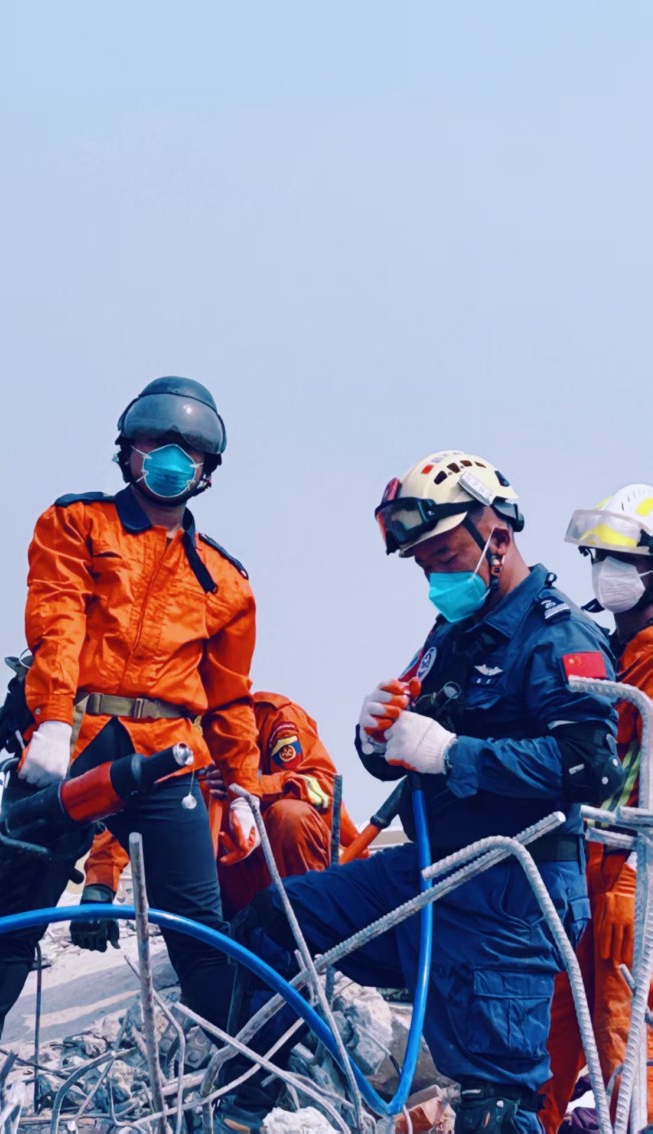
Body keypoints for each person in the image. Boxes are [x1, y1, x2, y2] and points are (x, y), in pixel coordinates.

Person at [213, 450, 622, 1134]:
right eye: (422, 563)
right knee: (277, 921)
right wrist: (376, 736)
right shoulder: (453, 632)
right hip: (431, 871)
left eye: (445, 555)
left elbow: (590, 768)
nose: (435, 576)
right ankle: (237, 1110)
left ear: (498, 535)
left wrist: (453, 754)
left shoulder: (559, 635)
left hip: (510, 891)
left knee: (494, 1103)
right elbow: (402, 746)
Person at [0, 377, 262, 1129]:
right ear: (127, 451)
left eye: (190, 451)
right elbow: (58, 624)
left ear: (208, 470)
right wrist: (50, 722)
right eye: (156, 443)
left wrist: (242, 785)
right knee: (17, 912)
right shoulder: (75, 523)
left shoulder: (227, 579)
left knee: (198, 926)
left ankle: (240, 1081)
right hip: (75, 739)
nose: (171, 460)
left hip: (167, 753)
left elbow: (231, 694)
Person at [73, 690, 364, 946]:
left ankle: (311, 934)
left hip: (292, 876)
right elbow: (132, 817)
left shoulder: (272, 716)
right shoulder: (168, 741)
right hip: (222, 892)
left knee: (290, 816)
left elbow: (323, 789)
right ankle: (218, 947)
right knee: (168, 847)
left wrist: (250, 785)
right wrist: (99, 890)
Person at [541, 484, 653, 1133]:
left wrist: (633, 879)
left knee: (622, 1026)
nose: (606, 572)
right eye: (599, 557)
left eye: (623, 560)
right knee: (551, 1023)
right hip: (577, 865)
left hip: (631, 872)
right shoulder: (603, 652)